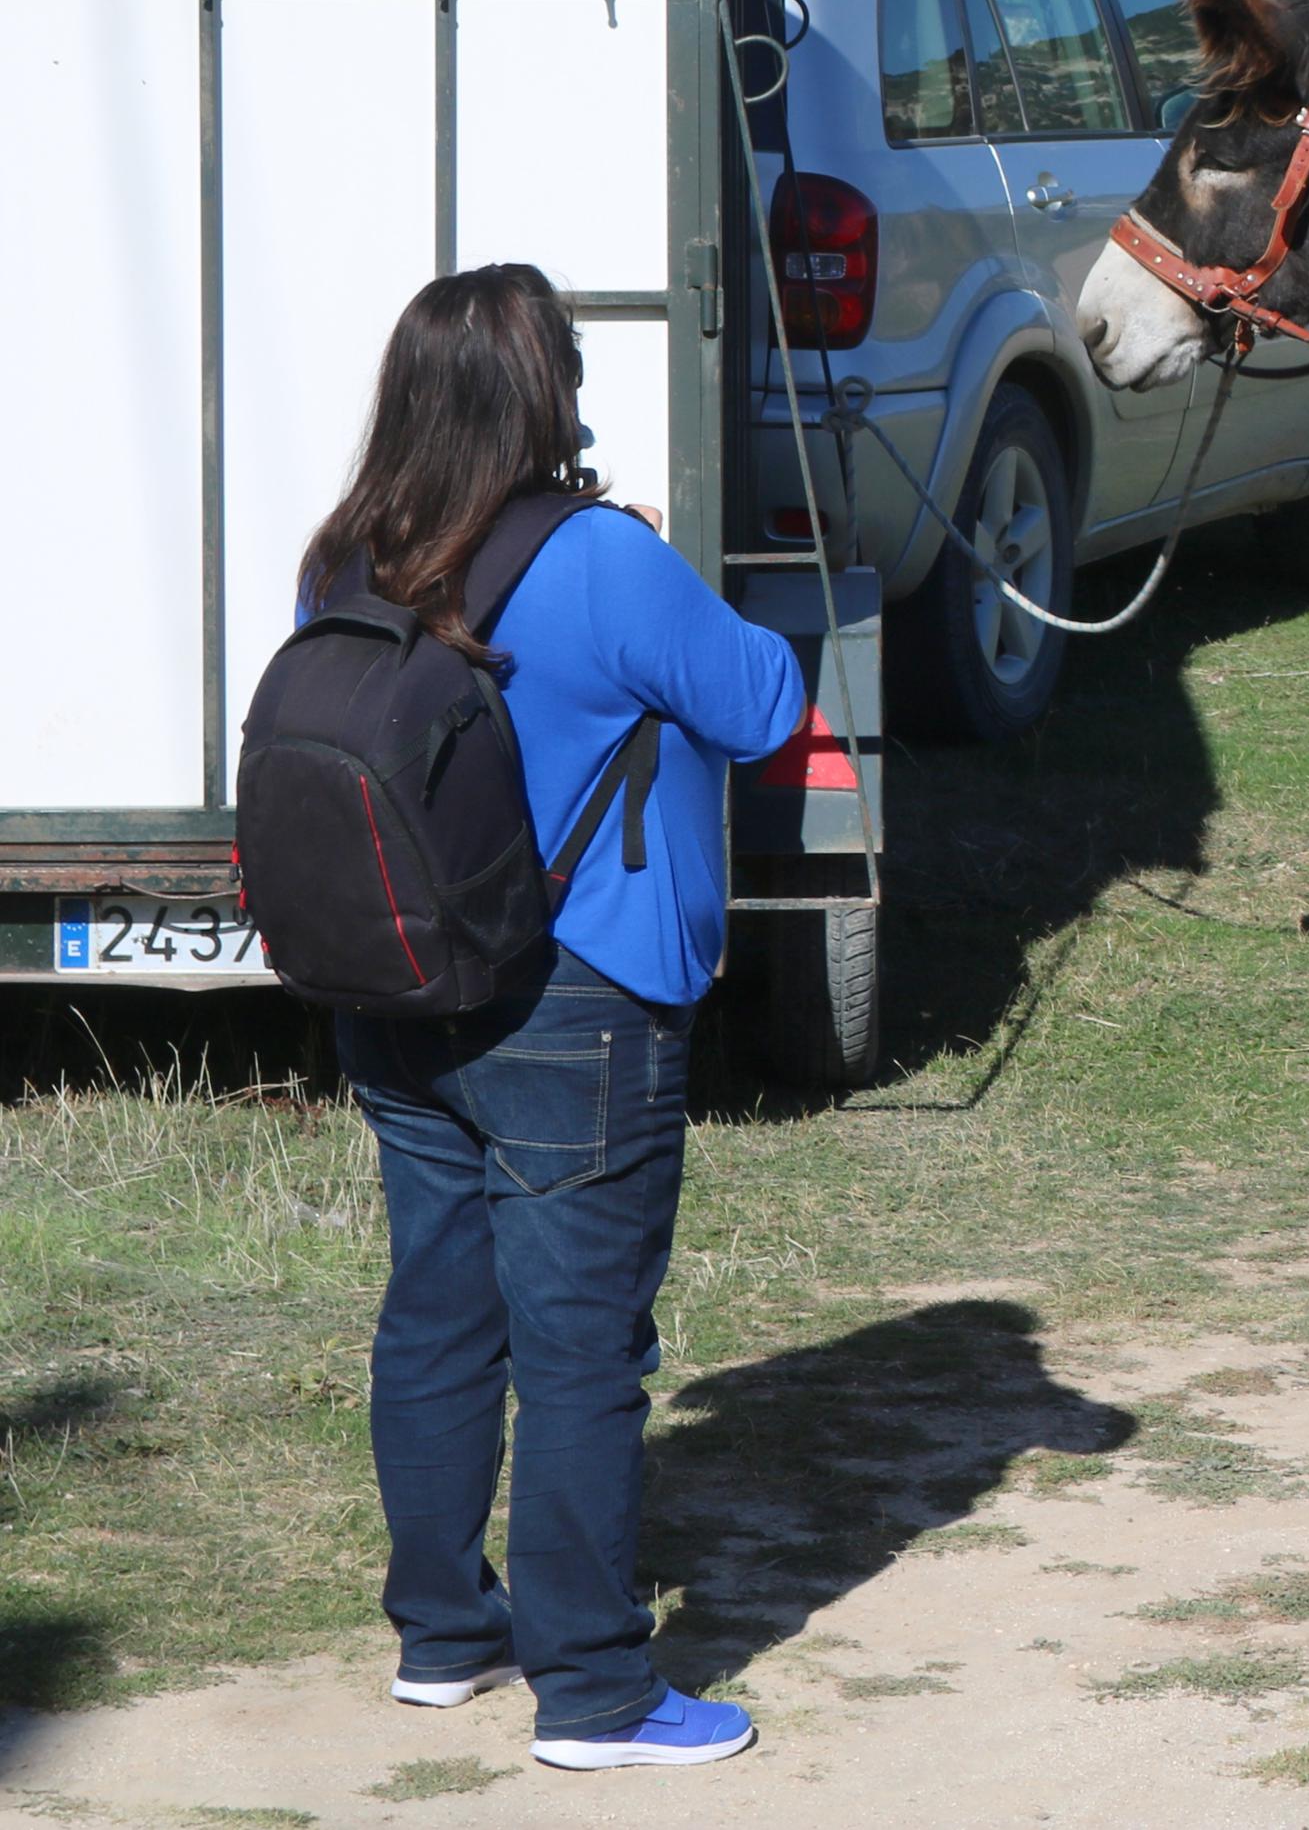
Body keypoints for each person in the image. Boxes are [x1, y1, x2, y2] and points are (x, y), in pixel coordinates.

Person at [311, 264, 806, 1772]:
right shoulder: (598, 558)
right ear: (550, 392)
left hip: (395, 992)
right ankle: (594, 1689)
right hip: (576, 998)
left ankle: (444, 1634)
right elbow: (764, 701)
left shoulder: (346, 553)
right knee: (583, 1348)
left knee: (438, 1312)